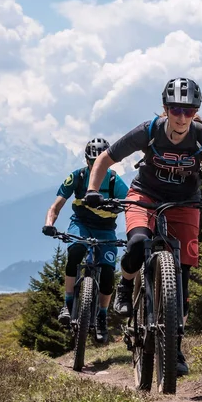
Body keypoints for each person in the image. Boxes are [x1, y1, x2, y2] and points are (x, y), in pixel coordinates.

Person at [82, 77, 202, 375]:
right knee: (138, 243)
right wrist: (93, 188)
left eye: (189, 111)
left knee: (182, 277)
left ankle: (175, 348)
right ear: (165, 109)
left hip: (186, 202)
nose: (181, 117)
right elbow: (105, 158)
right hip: (145, 195)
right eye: (175, 109)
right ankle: (126, 286)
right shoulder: (150, 130)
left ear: (196, 111)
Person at [42, 137, 129, 344]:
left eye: (99, 160)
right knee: (75, 252)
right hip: (80, 224)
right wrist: (49, 224)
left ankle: (101, 316)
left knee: (108, 271)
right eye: (91, 161)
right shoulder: (77, 177)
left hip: (106, 230)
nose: (94, 165)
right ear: (86, 160)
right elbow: (55, 206)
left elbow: (131, 205)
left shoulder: (114, 181)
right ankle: (68, 303)